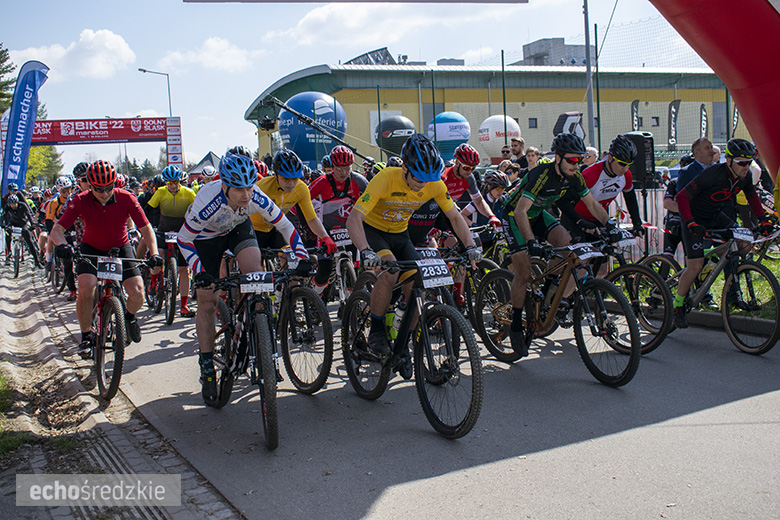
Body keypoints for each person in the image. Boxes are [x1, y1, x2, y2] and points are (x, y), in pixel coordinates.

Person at [177, 153, 308, 406]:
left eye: (249, 187)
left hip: (237, 228)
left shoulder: (254, 196)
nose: (246, 195)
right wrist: (198, 270)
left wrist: (301, 255)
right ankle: (206, 366)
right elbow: (184, 240)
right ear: (224, 185)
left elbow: (285, 226)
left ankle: (258, 333)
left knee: (255, 272)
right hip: (204, 238)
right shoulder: (208, 201)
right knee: (207, 301)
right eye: (238, 189)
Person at [346, 134, 480, 378]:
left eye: (428, 179)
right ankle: (376, 329)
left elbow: (455, 217)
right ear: (405, 168)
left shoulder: (433, 183)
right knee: (390, 272)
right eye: (418, 178)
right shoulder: (386, 179)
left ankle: (404, 342)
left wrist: (470, 244)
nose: (422, 184)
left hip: (400, 234)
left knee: (419, 283)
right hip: (374, 232)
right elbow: (354, 218)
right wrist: (365, 249)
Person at [502, 132, 615, 356]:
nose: (576, 164)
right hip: (515, 216)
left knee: (568, 245)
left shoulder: (575, 176)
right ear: (558, 158)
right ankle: (515, 323)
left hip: (538, 214)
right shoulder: (540, 175)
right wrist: (532, 241)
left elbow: (591, 203)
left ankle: (548, 290)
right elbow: (521, 211)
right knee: (523, 274)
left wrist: (609, 224)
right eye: (572, 160)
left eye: (580, 159)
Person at [51, 160, 163, 358]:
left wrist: (153, 253)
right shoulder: (80, 200)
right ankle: (86, 335)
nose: (104, 193)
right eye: (98, 189)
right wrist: (62, 245)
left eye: (108, 188)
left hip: (120, 247)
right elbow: (57, 230)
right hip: (91, 248)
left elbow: (145, 229)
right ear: (90, 185)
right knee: (86, 288)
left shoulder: (126, 197)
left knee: (137, 293)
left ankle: (128, 318)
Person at [672, 138, 775, 328]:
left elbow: (752, 196)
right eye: (741, 163)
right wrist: (691, 222)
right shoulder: (713, 174)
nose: (746, 167)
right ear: (729, 161)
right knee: (694, 266)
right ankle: (677, 306)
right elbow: (681, 197)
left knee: (743, 246)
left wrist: (763, 220)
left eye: (749, 162)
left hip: (716, 215)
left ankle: (723, 280)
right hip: (694, 218)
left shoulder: (744, 177)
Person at [406, 142, 501, 305]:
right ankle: (437, 288)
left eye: (473, 168)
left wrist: (491, 215)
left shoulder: (469, 178)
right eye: (466, 168)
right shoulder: (442, 177)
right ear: (456, 162)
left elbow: (478, 201)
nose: (469, 172)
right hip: (431, 213)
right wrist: (432, 227)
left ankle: (458, 291)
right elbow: (425, 205)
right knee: (447, 243)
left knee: (465, 249)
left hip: (449, 212)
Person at [250, 149, 337, 261]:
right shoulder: (262, 187)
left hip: (277, 229)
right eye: (286, 179)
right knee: (256, 268)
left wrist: (325, 237)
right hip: (255, 229)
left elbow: (311, 219)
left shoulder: (301, 188)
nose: (291, 184)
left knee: (295, 262)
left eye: (295, 179)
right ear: (276, 174)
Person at [557, 135, 645, 243]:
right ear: (610, 158)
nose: (625, 169)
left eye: (629, 165)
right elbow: (567, 203)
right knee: (580, 258)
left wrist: (637, 224)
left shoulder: (626, 175)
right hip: (574, 219)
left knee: (604, 255)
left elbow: (630, 198)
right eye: (622, 164)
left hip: (598, 218)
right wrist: (580, 222)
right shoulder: (591, 175)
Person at [308, 145, 368, 298]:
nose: (344, 173)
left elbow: (371, 199)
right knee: (324, 271)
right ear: (332, 167)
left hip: (350, 228)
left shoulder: (359, 181)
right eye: (339, 169)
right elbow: (303, 201)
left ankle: (349, 305)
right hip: (327, 230)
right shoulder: (321, 182)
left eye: (347, 168)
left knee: (355, 270)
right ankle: (316, 299)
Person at [147, 165, 198, 317]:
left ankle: (183, 306)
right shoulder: (160, 192)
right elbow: (149, 209)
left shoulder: (188, 193)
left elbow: (197, 209)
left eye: (176, 182)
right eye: (170, 183)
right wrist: (151, 227)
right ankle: (153, 280)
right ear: (165, 183)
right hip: (164, 230)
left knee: (184, 270)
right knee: (159, 257)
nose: (173, 186)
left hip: (182, 232)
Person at [1, 194, 39, 266]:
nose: (13, 206)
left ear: (17, 202)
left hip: (22, 223)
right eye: (11, 204)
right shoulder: (7, 207)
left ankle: (36, 260)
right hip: (12, 223)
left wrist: (32, 223)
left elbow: (29, 215)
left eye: (14, 204)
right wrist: (2, 224)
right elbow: (3, 216)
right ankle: (9, 252)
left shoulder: (23, 205)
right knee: (7, 233)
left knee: (29, 240)